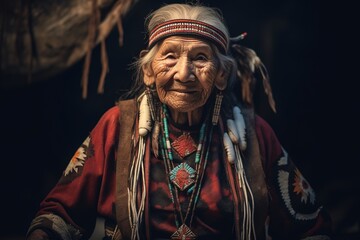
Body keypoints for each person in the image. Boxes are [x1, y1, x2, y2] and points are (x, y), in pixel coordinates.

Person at [26, 3, 332, 240]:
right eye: (170, 56)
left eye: (200, 58)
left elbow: (308, 223)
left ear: (222, 75)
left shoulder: (254, 134)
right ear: (148, 70)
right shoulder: (118, 125)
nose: (183, 74)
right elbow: (61, 214)